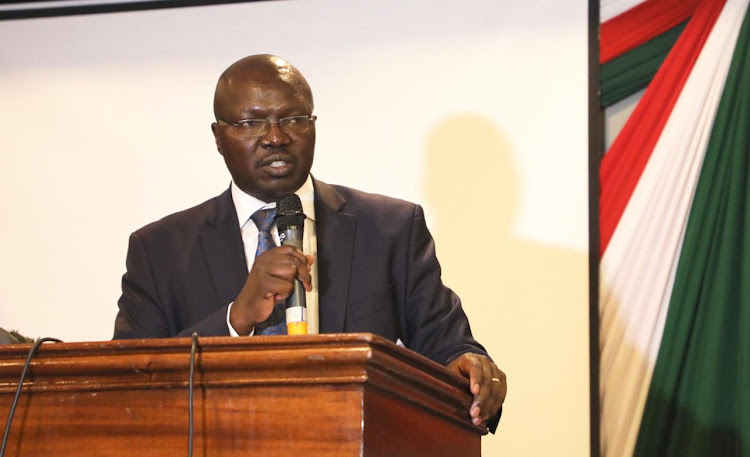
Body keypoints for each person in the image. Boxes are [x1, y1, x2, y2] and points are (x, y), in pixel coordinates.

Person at [114, 54, 506, 429]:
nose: (275, 137)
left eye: (294, 118)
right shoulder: (159, 250)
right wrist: (235, 318)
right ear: (219, 137)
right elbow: (128, 387)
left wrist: (472, 371)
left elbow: (449, 349)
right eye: (252, 123)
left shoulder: (391, 230)